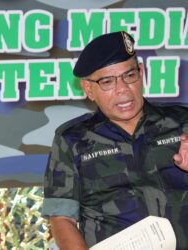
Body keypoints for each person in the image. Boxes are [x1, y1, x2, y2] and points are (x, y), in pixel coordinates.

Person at [42, 31, 188, 250]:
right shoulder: (72, 140)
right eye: (107, 82)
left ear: (141, 73)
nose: (122, 89)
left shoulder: (183, 122)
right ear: (89, 89)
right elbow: (62, 218)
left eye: (129, 76)